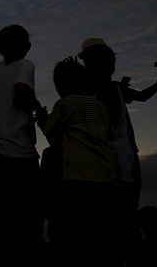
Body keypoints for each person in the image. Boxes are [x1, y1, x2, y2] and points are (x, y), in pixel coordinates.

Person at [78, 37, 157, 262]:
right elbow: (140, 97)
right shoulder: (108, 89)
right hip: (122, 168)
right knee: (123, 225)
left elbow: (140, 97)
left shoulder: (93, 91)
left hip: (101, 169)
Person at [0, 24, 45, 261]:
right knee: (25, 227)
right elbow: (22, 91)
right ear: (26, 46)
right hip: (17, 157)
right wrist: (34, 110)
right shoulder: (25, 65)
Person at [41, 57, 118, 265]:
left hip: (75, 181)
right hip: (105, 181)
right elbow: (110, 135)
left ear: (60, 86)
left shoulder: (64, 104)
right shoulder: (100, 106)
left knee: (70, 241)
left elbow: (49, 129)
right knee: (98, 242)